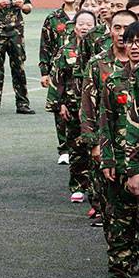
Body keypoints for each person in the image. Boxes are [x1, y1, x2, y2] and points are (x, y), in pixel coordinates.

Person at [91, 13, 139, 278]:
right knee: (118, 223)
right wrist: (107, 159)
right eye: (131, 41)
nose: (134, 46)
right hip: (120, 163)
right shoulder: (114, 80)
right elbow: (104, 122)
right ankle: (119, 277)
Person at [46, 11, 97, 204]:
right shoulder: (66, 50)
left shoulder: (100, 48)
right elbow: (57, 78)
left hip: (95, 108)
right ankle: (78, 186)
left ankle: (96, 188)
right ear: (74, 26)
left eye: (89, 24)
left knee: (95, 147)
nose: (85, 27)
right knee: (76, 148)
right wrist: (59, 104)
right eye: (81, 23)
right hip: (72, 106)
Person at [40, 0, 80, 165]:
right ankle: (64, 148)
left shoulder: (86, 16)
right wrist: (44, 72)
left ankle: (81, 146)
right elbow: (45, 46)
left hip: (81, 70)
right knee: (59, 107)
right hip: (59, 71)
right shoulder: (53, 18)